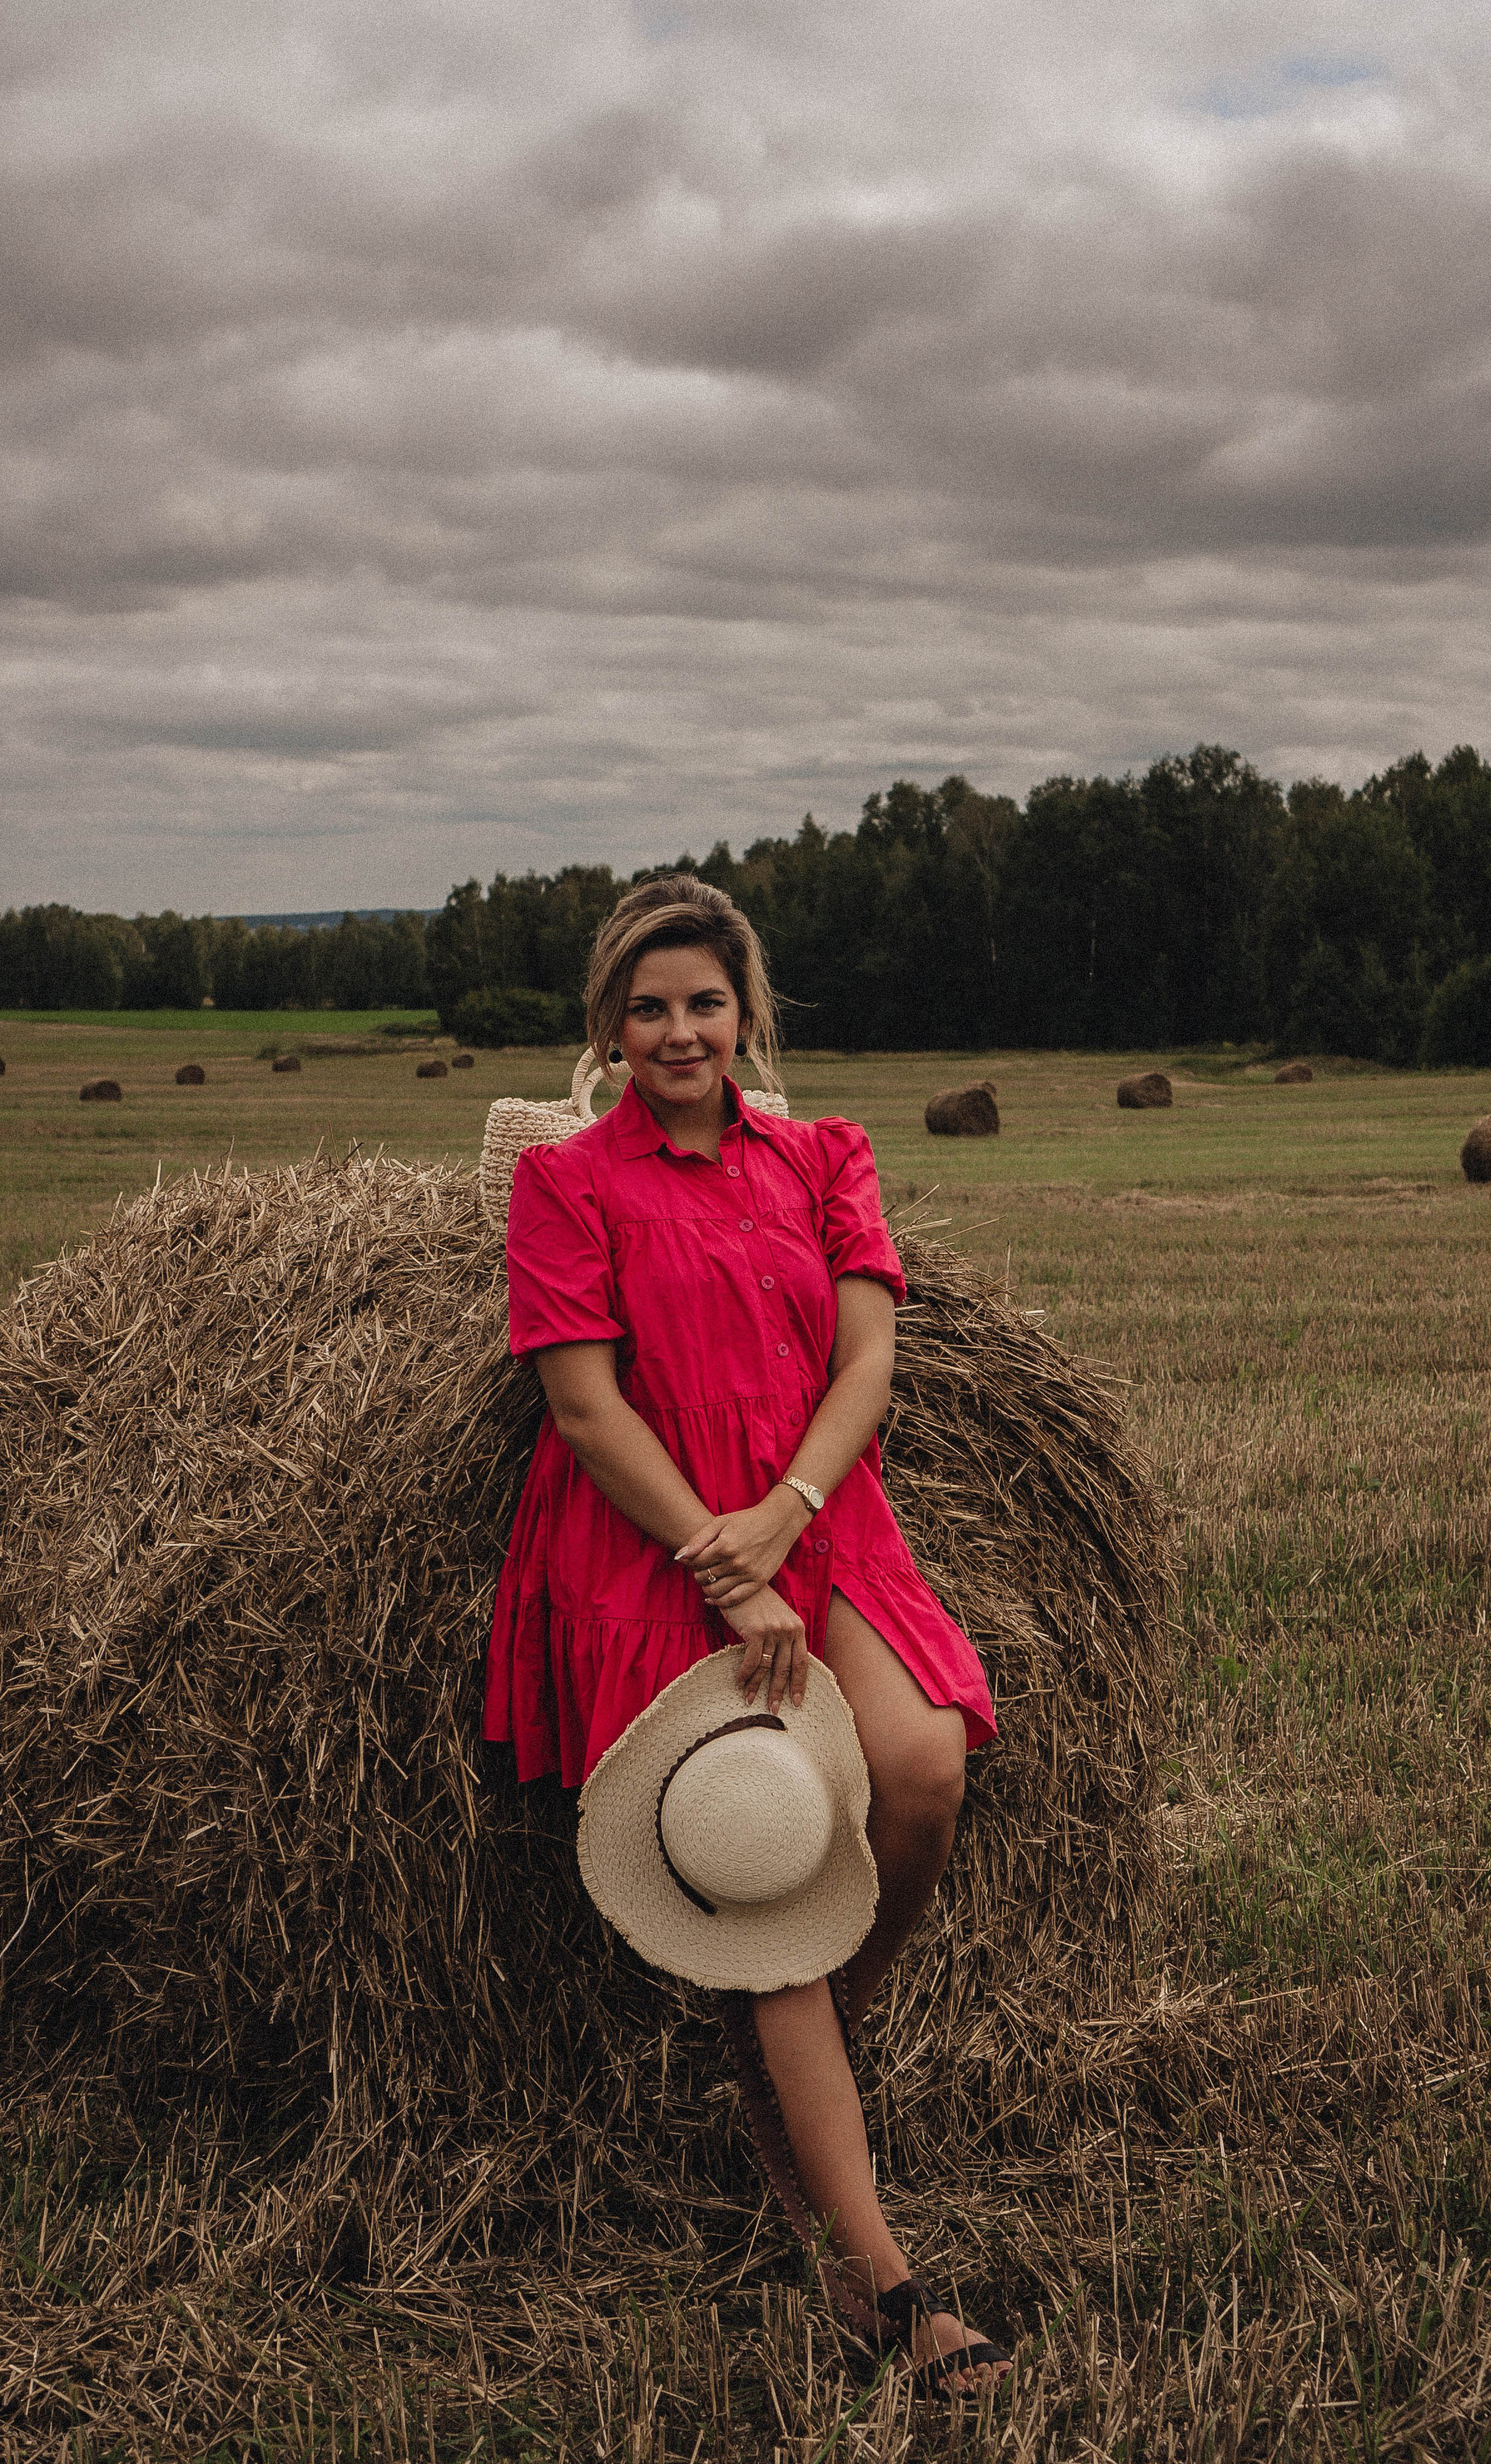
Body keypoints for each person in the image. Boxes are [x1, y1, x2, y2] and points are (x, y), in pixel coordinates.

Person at [484, 875, 1009, 2394]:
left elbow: (868, 1362)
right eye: (644, 1009)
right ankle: (883, 2282)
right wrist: (728, 1564)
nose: (676, 1032)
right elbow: (583, 1408)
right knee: (771, 1840)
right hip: (656, 1545)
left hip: (816, 1514)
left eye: (701, 1003)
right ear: (608, 1028)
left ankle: (790, 2074)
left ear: (745, 1012)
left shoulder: (823, 1155)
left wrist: (785, 1514)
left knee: (918, 1775)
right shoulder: (571, 1184)